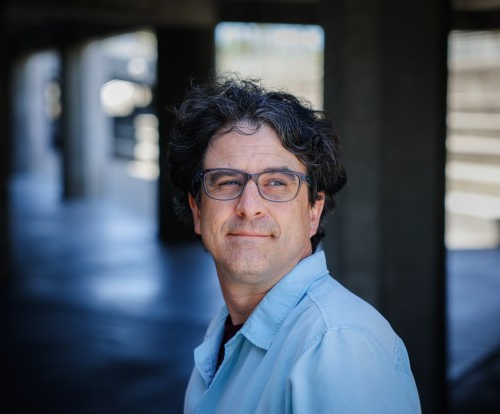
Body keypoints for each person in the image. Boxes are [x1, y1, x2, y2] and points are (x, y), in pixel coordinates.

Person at [168, 76, 421, 413]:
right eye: (227, 181)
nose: (249, 205)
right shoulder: (227, 329)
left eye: (276, 183)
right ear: (198, 210)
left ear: (313, 210)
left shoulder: (337, 345)